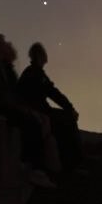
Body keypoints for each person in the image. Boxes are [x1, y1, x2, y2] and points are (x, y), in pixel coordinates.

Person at [0, 33, 54, 187]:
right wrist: (25, 111)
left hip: (4, 108)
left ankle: (37, 167)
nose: (9, 44)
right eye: (4, 43)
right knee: (31, 123)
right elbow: (0, 96)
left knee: (36, 119)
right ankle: (34, 169)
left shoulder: (4, 66)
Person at [17, 42, 82, 172]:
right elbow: (53, 93)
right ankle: (74, 162)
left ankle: (70, 162)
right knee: (68, 120)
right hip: (39, 113)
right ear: (39, 55)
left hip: (38, 111)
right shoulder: (35, 73)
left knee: (63, 122)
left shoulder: (32, 72)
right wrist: (70, 109)